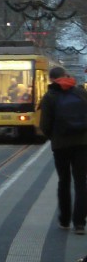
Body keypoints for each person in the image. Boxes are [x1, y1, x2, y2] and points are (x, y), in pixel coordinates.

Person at [40, 66, 87, 234]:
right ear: (65, 76)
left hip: (60, 146)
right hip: (82, 143)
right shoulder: (80, 92)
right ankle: (80, 223)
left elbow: (44, 125)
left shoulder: (49, 96)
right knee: (81, 182)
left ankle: (65, 220)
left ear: (51, 79)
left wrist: (53, 136)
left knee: (64, 181)